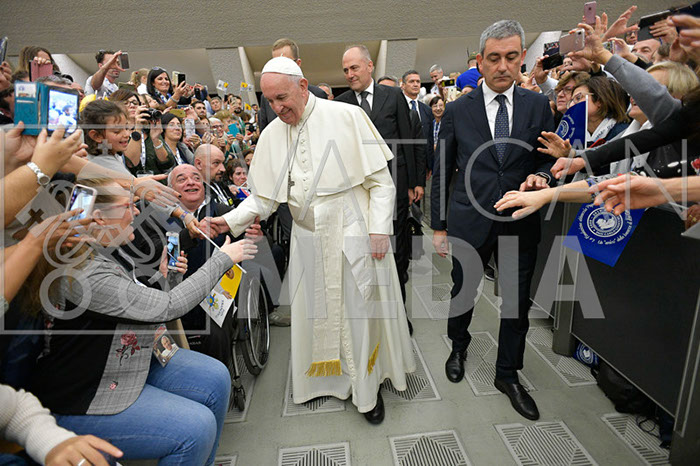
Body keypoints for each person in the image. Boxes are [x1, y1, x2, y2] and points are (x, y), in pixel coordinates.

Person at [201, 57, 416, 424]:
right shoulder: (272, 134)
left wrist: (380, 229)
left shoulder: (346, 116)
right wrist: (228, 220)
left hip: (353, 232)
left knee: (358, 315)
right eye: (270, 101)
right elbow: (264, 198)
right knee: (318, 313)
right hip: (307, 238)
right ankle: (328, 381)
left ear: (302, 86)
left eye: (282, 97)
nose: (277, 107)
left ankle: (366, 390)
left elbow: (382, 183)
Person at [28, 177, 257, 465]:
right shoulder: (83, 273)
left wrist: (166, 276)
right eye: (128, 206)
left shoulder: (108, 251)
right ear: (99, 218)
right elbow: (168, 306)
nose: (136, 212)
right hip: (87, 393)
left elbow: (143, 302)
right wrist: (222, 259)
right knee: (196, 428)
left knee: (216, 377)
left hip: (127, 361)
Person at [431, 20, 555, 421]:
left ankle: (507, 374)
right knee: (463, 290)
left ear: (522, 59)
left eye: (512, 57)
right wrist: (438, 226)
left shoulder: (538, 106)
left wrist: (544, 175)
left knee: (516, 302)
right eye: (495, 58)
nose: (503, 66)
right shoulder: (457, 110)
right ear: (480, 61)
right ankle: (458, 346)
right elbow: (442, 169)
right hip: (470, 219)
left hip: (519, 218)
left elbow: (547, 158)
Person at [336, 45, 424, 313]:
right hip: (359, 191)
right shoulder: (341, 103)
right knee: (365, 252)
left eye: (354, 68)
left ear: (369, 66)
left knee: (397, 251)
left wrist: (413, 183)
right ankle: (370, 315)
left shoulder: (394, 96)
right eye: (345, 70)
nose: (350, 74)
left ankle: (398, 315)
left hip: (395, 186)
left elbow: (407, 140)